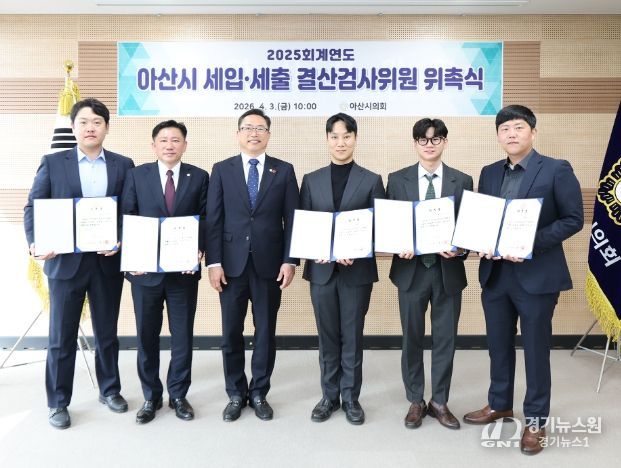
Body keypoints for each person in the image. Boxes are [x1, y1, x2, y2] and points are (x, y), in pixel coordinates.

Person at [462, 105, 583, 455]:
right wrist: (478, 240)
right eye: (505, 129)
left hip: (536, 276)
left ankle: (536, 420)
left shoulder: (557, 169)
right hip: (496, 275)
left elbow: (573, 219)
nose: (511, 134)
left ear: (533, 132)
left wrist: (529, 243)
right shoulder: (489, 172)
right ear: (498, 136)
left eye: (518, 127)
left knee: (535, 350)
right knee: (498, 346)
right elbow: (483, 219)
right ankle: (499, 403)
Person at [24, 98, 135, 429]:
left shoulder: (123, 164)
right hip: (64, 262)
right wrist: (36, 242)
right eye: (84, 122)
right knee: (61, 336)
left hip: (106, 262)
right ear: (73, 127)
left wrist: (120, 238)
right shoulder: (52, 162)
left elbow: (130, 210)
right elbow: (33, 206)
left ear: (106, 128)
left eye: (97, 122)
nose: (90, 127)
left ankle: (109, 390)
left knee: (107, 333)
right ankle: (58, 401)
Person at [206, 109, 299, 422]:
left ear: (268, 135)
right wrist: (214, 262)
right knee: (231, 332)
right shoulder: (222, 169)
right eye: (248, 128)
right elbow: (214, 219)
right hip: (230, 266)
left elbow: (292, 219)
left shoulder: (283, 170)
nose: (254, 133)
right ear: (238, 134)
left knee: (265, 332)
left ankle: (259, 392)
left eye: (260, 128)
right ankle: (235, 393)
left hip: (269, 265)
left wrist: (289, 260)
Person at [387, 118, 473, 430]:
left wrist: (459, 249)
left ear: (445, 142)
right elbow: (389, 224)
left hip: (447, 272)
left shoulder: (462, 180)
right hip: (410, 272)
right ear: (415, 143)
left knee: (445, 339)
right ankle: (415, 399)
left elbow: (470, 226)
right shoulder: (397, 180)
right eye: (423, 139)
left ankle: (439, 401)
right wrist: (398, 245)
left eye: (436, 139)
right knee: (411, 337)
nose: (429, 144)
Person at [300, 113, 385, 425]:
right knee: (327, 337)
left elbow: (380, 227)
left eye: (346, 136)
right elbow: (304, 224)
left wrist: (358, 250)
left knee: (352, 336)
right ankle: (328, 396)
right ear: (327, 139)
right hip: (321, 273)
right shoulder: (311, 180)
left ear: (355, 139)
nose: (341, 142)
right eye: (335, 136)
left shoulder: (372, 180)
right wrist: (314, 250)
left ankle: (350, 397)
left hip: (356, 273)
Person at [121, 120, 208, 424]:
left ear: (185, 145)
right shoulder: (136, 175)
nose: (169, 145)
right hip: (145, 273)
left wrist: (200, 249)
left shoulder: (199, 176)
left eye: (175, 140)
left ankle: (179, 395)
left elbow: (206, 218)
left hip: (183, 273)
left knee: (182, 336)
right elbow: (128, 215)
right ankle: (151, 396)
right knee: (147, 336)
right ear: (153, 145)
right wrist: (131, 256)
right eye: (163, 140)